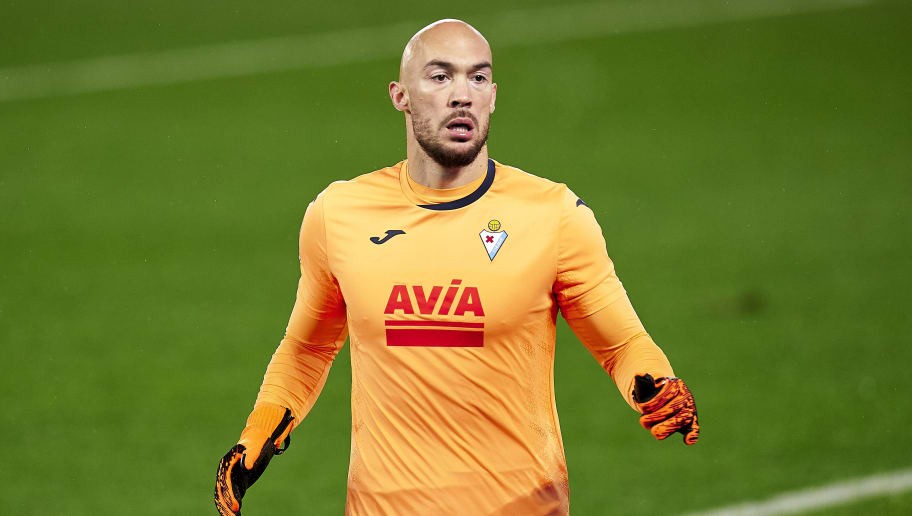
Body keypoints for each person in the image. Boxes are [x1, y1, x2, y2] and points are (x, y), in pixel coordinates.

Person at [214, 18, 699, 516]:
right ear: (400, 95)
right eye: (441, 76)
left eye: (478, 78)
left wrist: (654, 382)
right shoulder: (338, 214)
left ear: (493, 96)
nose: (462, 94)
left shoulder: (552, 215)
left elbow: (622, 345)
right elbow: (309, 346)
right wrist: (259, 433)